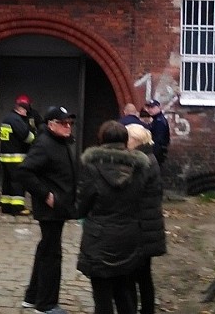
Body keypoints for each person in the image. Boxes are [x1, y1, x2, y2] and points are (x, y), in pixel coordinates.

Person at [76, 120, 152, 314]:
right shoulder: (140, 168)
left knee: (102, 298)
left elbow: (82, 207)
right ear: (125, 140)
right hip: (130, 238)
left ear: (101, 139)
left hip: (99, 239)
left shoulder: (92, 168)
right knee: (125, 293)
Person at [17, 106, 79, 314]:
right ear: (51, 124)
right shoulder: (44, 144)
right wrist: (46, 196)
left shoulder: (59, 142)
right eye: (63, 123)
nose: (68, 126)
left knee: (46, 249)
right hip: (51, 209)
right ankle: (46, 305)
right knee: (52, 255)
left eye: (70, 123)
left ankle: (32, 296)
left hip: (60, 207)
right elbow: (25, 172)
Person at [125, 123, 167, 314]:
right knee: (143, 275)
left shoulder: (142, 162)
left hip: (142, 226)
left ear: (136, 141)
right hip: (148, 225)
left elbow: (134, 191)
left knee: (136, 275)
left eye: (127, 139)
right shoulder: (149, 158)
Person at [0, 94, 37, 215]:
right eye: (27, 110)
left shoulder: (7, 118)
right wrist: (34, 134)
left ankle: (6, 206)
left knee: (7, 181)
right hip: (16, 157)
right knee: (18, 182)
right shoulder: (16, 120)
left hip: (5, 157)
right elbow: (27, 137)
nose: (27, 112)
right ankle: (17, 208)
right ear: (22, 108)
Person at [144, 100, 170, 169]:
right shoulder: (156, 120)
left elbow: (158, 140)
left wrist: (153, 156)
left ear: (159, 107)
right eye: (149, 107)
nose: (150, 110)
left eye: (152, 107)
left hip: (157, 153)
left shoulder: (159, 121)